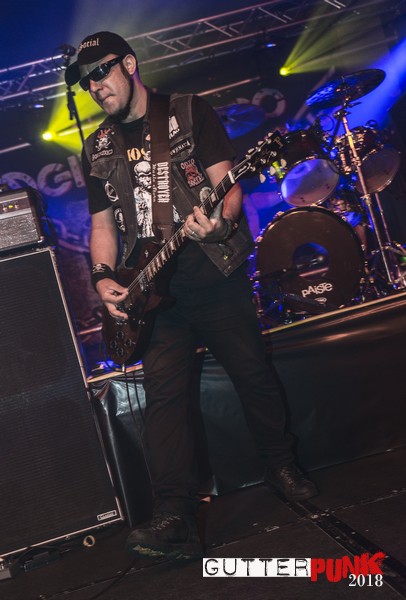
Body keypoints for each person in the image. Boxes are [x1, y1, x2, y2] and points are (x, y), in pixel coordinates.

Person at [65, 31, 317, 561]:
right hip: (153, 293)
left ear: (128, 64)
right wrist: (103, 276)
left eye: (101, 72)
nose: (94, 86)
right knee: (164, 401)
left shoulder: (185, 111)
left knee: (252, 374)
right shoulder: (98, 147)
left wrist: (218, 224)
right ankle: (173, 515)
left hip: (213, 274)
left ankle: (281, 466)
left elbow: (229, 186)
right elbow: (103, 224)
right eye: (86, 82)